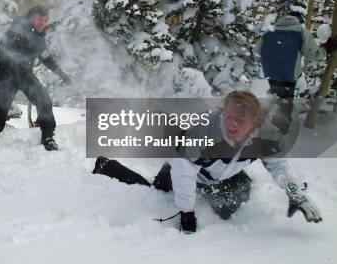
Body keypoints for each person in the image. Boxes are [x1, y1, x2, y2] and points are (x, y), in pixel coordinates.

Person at [92, 91, 323, 233]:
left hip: (224, 175)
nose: (231, 124)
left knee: (230, 209)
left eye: (239, 120)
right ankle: (107, 166)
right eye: (228, 117)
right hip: (183, 168)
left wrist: (296, 194)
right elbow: (183, 173)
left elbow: (278, 164)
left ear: (254, 122)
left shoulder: (267, 135)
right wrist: (187, 213)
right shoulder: (203, 134)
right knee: (156, 192)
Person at [0, 5, 71, 151]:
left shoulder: (39, 38)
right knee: (0, 113)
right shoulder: (17, 29)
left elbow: (47, 58)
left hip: (25, 75)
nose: (43, 23)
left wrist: (62, 74)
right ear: (32, 17)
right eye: (40, 19)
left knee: (44, 101)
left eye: (45, 20)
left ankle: (48, 136)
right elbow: (3, 49)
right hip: (7, 76)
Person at [254, 11, 336, 100]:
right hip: (289, 73)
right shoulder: (301, 31)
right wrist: (327, 47)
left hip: (271, 72)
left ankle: (270, 107)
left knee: (275, 95)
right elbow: (312, 54)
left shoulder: (270, 30)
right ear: (299, 21)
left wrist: (268, 62)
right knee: (285, 103)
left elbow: (256, 51)